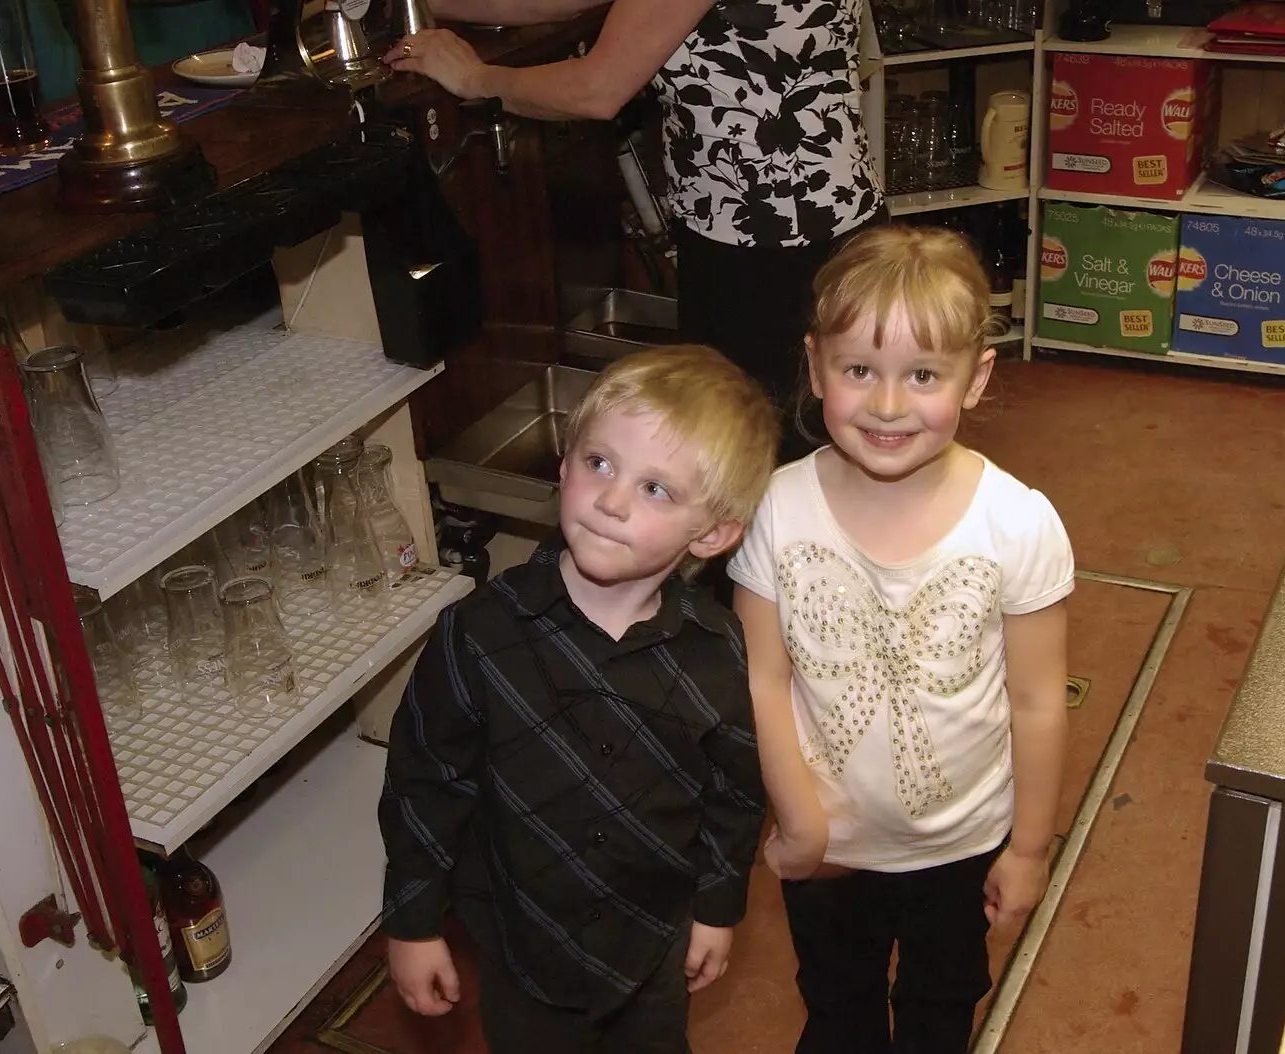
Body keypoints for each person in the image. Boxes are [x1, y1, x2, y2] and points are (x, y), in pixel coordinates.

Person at [728, 225, 1073, 1054]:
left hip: (963, 845)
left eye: (922, 375)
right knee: (838, 1013)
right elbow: (763, 680)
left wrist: (1029, 849)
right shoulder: (775, 507)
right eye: (858, 372)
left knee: (937, 1015)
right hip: (829, 847)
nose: (887, 406)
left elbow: (1036, 701)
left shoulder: (1018, 523)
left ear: (976, 378)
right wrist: (800, 822)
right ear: (815, 368)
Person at [378, 344, 779, 1054]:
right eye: (599, 463)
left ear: (713, 533)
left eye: (657, 489)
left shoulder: (718, 648)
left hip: (652, 944)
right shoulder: (477, 635)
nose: (612, 499)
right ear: (563, 466)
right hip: (520, 942)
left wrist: (718, 909)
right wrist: (413, 922)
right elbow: (424, 786)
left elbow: (734, 794)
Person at [387, 0, 884, 455]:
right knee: (827, 444)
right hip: (832, 214)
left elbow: (597, 89)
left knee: (750, 452)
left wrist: (474, 78)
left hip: (761, 242)